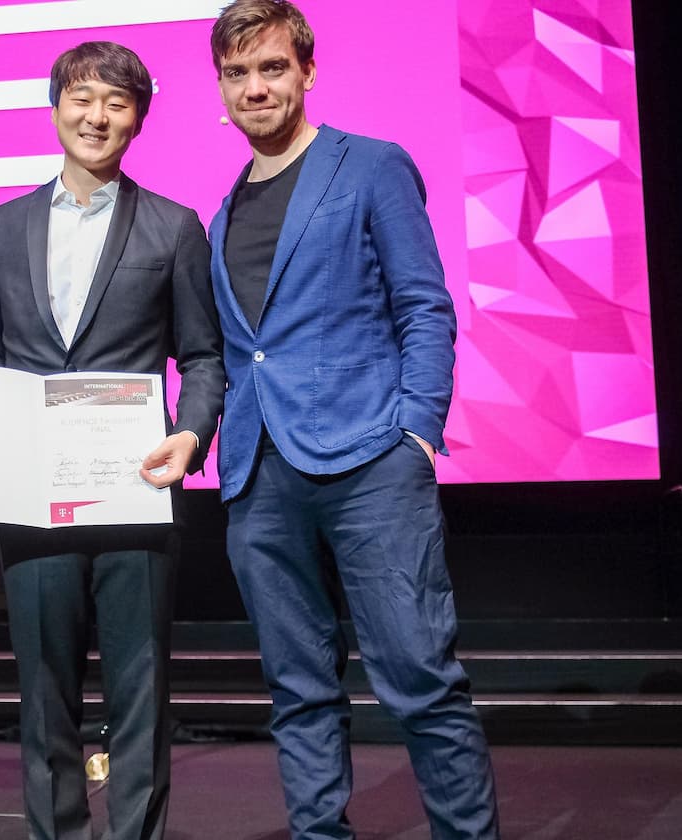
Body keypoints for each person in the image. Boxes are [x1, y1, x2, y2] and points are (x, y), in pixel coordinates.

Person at [203, 2, 500, 838]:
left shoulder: (368, 166)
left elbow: (424, 307)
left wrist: (416, 428)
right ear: (221, 89)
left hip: (372, 462)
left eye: (270, 68)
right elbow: (240, 350)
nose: (255, 87)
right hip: (259, 473)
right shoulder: (221, 213)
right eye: (237, 73)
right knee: (298, 689)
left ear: (306, 71)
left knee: (418, 676)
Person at [0, 41, 223, 840]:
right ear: (55, 106)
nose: (98, 117)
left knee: (140, 690)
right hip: (29, 492)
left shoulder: (175, 227)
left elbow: (202, 356)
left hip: (138, 487)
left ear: (139, 121)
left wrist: (191, 434)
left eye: (117, 104)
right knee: (43, 691)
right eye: (84, 99)